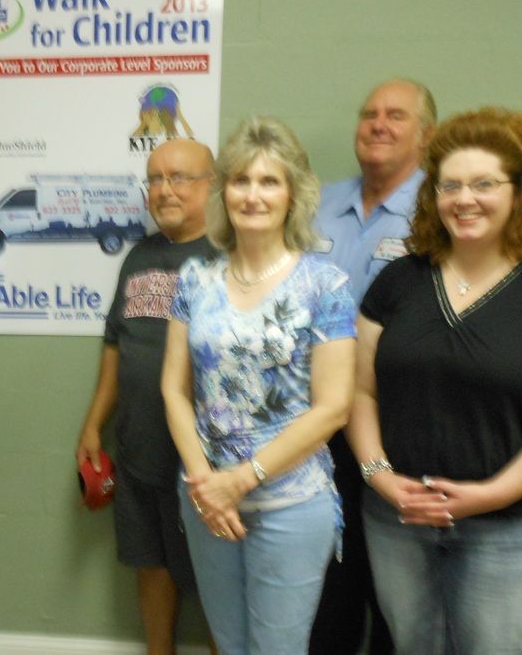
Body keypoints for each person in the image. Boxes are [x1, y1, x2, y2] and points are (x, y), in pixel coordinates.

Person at [346, 107, 522, 655]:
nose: (463, 199)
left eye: (484, 184)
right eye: (449, 185)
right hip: (398, 520)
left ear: (520, 191)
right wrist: (380, 476)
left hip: (515, 530)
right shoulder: (398, 281)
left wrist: (490, 494)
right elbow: (360, 391)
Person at [162, 117, 356, 655]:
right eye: (242, 180)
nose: (254, 195)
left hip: (290, 506)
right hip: (206, 501)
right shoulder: (195, 279)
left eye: (270, 181)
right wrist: (205, 482)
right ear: (225, 192)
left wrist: (241, 479)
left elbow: (334, 408)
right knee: (227, 642)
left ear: (293, 193)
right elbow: (175, 390)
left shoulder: (325, 286)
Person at [310, 77, 437, 654]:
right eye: (369, 114)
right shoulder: (316, 204)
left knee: (396, 587)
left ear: (427, 135)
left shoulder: (441, 213)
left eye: (396, 115)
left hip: (398, 423)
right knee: (330, 578)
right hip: (314, 423)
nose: (378, 124)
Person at [75, 138, 215, 655]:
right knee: (150, 563)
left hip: (201, 459)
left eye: (179, 177)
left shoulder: (227, 256)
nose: (164, 190)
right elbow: (116, 343)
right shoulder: (138, 256)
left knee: (212, 578)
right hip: (138, 449)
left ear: (210, 185)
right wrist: (94, 424)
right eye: (155, 179)